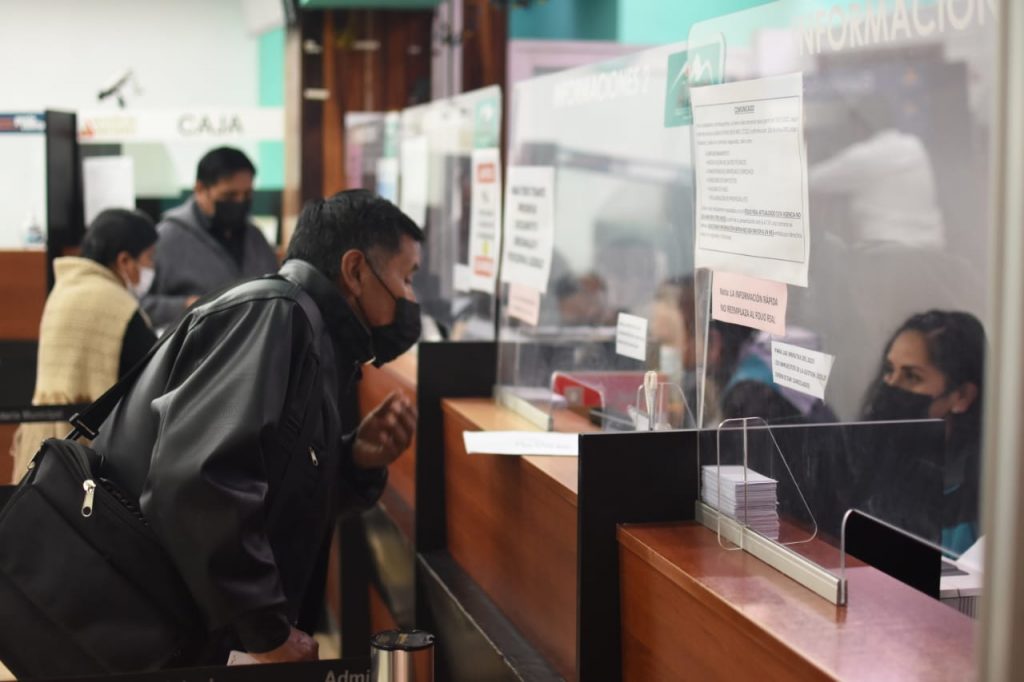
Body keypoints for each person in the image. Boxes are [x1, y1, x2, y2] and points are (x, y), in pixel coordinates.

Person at [92, 190, 422, 665]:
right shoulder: (275, 316)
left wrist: (353, 460)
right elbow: (198, 485)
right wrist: (265, 631)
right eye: (406, 278)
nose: (411, 298)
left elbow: (277, 487)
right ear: (355, 270)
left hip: (178, 625)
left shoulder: (308, 331)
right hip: (153, 632)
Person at [9, 209, 158, 482]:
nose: (152, 267)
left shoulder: (65, 289)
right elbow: (153, 368)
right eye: (149, 257)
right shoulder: (112, 301)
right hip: (81, 456)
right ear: (125, 260)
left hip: (45, 447)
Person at [861, 310, 985, 555]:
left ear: (962, 396)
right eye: (889, 370)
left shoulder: (981, 500)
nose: (891, 385)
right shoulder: (870, 460)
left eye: (912, 376)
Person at [142, 147, 279, 328]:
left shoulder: (255, 237)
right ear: (200, 189)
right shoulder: (166, 238)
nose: (239, 202)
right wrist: (186, 306)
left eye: (247, 194)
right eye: (229, 195)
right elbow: (137, 305)